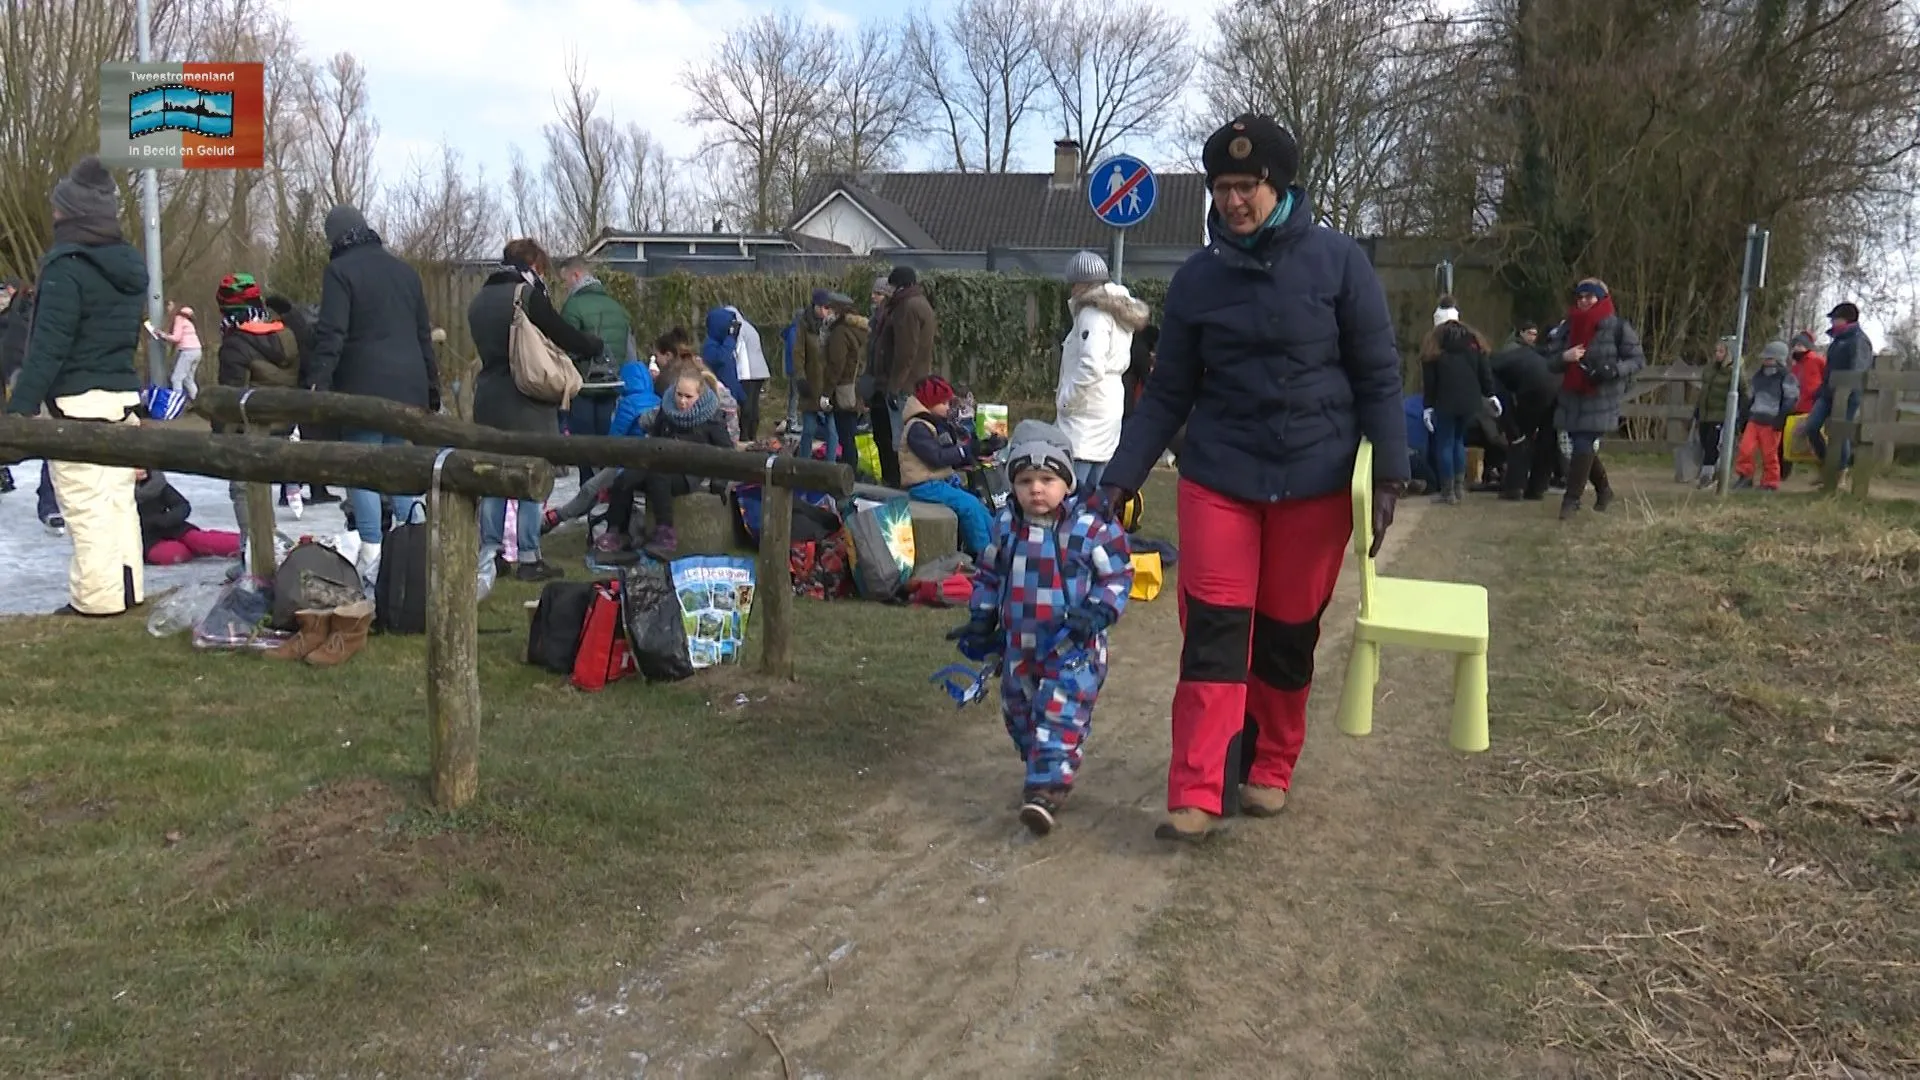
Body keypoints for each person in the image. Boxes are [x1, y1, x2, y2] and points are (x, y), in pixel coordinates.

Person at [1096, 113, 1409, 842]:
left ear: (1280, 186)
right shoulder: (1198, 279)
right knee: (1213, 630)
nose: (1233, 201)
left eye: (1247, 186)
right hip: (1221, 475)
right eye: (1222, 187)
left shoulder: (1339, 263)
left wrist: (1391, 473)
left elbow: (1378, 373)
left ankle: (1269, 764)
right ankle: (1198, 789)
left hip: (1316, 479)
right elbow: (1167, 393)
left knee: (1286, 633)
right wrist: (1119, 478)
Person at [947, 420, 1133, 836]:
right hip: (1019, 645)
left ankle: (1046, 789)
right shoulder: (1004, 526)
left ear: (1067, 481)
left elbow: (1118, 575)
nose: (1036, 489)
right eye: (1025, 480)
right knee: (1020, 714)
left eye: (1047, 480)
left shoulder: (1090, 527)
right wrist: (981, 618)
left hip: (1073, 646)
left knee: (1058, 713)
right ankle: (1042, 765)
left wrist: (1097, 612)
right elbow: (990, 575)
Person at [5, 156, 150, 617]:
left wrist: (19, 408)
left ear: (72, 212)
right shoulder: (129, 267)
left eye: (58, 208)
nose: (53, 215)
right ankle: (128, 590)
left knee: (87, 508)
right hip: (122, 397)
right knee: (119, 505)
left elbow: (49, 345)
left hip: (78, 401)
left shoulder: (66, 267)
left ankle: (97, 601)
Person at [305, 203, 442, 583]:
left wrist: (318, 382)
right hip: (409, 384)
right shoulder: (405, 272)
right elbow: (423, 335)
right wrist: (431, 386)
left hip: (363, 383)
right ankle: (415, 539)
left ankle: (372, 549)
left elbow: (332, 332)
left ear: (334, 236)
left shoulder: (340, 271)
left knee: (362, 466)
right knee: (397, 464)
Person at [468, 238, 602, 581]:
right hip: (526, 399)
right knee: (533, 475)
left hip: (489, 397)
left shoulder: (479, 300)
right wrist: (591, 345)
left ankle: (492, 553)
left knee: (495, 477)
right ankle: (529, 556)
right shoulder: (525, 295)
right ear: (533, 265)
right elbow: (559, 332)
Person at [212, 273, 301, 560]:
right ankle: (266, 548)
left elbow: (230, 398)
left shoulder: (235, 344)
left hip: (248, 432)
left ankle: (252, 557)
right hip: (283, 425)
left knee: (244, 490)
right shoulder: (287, 335)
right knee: (263, 491)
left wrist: (220, 436)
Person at [600, 367, 733, 558]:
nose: (682, 401)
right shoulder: (667, 408)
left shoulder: (712, 418)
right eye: (679, 394)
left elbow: (726, 452)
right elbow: (655, 435)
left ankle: (665, 534)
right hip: (660, 462)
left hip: (688, 474)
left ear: (700, 396)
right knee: (625, 478)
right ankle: (616, 531)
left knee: (658, 476)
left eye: (688, 397)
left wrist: (720, 480)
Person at [541, 335, 661, 535]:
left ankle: (558, 516)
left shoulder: (628, 404)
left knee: (591, 488)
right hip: (651, 460)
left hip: (629, 460)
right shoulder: (657, 399)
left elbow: (614, 438)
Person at [1547, 278, 1646, 520]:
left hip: (1601, 395)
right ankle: (1604, 490)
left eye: (1589, 297)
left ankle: (1571, 500)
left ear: (1601, 298)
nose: (1583, 301)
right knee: (1581, 446)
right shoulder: (1568, 326)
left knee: (1583, 442)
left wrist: (1613, 369)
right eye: (1580, 297)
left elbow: (1637, 360)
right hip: (1572, 394)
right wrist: (1565, 357)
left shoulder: (1617, 327)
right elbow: (1550, 360)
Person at [1055, 250, 1149, 492]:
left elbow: (1091, 365)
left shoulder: (1093, 313)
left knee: (1075, 481)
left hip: (1087, 405)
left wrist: (1066, 401)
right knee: (1100, 478)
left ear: (1080, 284)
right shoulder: (1115, 311)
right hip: (1107, 401)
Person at [557, 256, 633, 486]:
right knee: (606, 444)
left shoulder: (573, 306)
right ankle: (606, 492)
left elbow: (564, 345)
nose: (565, 286)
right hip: (611, 384)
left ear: (576, 275)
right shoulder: (617, 308)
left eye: (565, 280)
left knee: (584, 448)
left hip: (584, 385)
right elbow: (629, 348)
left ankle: (588, 493)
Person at [900, 375, 995, 556]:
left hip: (938, 482)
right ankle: (983, 553)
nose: (947, 407)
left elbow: (951, 455)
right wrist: (965, 451)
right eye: (943, 403)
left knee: (979, 505)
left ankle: (998, 545)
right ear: (929, 403)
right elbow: (936, 457)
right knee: (969, 507)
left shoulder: (934, 424)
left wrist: (980, 450)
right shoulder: (917, 427)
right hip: (923, 486)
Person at [1419, 300, 1500, 505]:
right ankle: (1458, 487)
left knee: (1445, 443)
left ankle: (1448, 491)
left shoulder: (1434, 341)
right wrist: (1490, 394)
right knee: (1458, 441)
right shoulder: (1473, 339)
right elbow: (1484, 369)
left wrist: (1428, 406)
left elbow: (1430, 380)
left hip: (1445, 400)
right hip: (1470, 400)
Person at [1490, 321, 1559, 500]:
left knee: (1520, 438)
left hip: (1533, 387)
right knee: (1547, 438)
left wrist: (1510, 425)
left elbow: (1501, 399)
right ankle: (1537, 488)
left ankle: (1514, 487)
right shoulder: (1516, 355)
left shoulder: (1492, 368)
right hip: (1555, 384)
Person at [1805, 303, 1869, 483]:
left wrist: (1847, 390)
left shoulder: (1859, 341)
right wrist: (1821, 391)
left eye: (1835, 318)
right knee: (1811, 426)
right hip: (1827, 392)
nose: (1832, 322)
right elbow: (1829, 369)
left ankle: (1840, 471)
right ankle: (1827, 465)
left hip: (1848, 395)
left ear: (1846, 319)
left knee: (1840, 432)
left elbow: (1858, 369)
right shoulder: (1837, 340)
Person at [1731, 341, 1800, 492]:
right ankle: (1745, 476)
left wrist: (1781, 418)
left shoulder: (1787, 377)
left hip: (1772, 421)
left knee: (1769, 454)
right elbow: (1750, 396)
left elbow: (1791, 399)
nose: (1765, 361)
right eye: (1765, 358)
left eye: (1770, 358)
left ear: (1779, 359)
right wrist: (1744, 415)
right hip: (1755, 418)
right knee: (1745, 449)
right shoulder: (1758, 376)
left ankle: (1770, 482)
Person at [135, 469, 242, 565]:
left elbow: (182, 505)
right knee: (173, 555)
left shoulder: (155, 482)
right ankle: (194, 550)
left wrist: (166, 519)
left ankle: (246, 544)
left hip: (172, 527)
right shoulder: (125, 491)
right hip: (144, 539)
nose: (140, 469)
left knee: (202, 540)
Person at [821, 292, 868, 467]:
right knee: (850, 435)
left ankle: (849, 473)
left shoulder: (839, 332)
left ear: (838, 311)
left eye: (829, 308)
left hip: (843, 389)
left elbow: (836, 365)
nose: (827, 312)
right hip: (857, 387)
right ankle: (852, 469)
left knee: (846, 436)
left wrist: (826, 393)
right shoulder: (860, 330)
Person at [862, 276, 900, 485]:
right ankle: (888, 477)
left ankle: (893, 478)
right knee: (879, 434)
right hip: (876, 384)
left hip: (886, 386)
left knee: (889, 435)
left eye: (877, 293)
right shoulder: (875, 321)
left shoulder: (891, 319)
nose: (873, 297)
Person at [792, 289, 834, 460]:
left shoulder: (833, 325)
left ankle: (831, 467)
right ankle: (804, 464)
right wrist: (800, 377)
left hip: (830, 384)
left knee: (832, 430)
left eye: (827, 308)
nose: (824, 311)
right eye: (821, 307)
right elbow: (798, 353)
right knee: (809, 429)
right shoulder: (804, 325)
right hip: (811, 383)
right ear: (815, 306)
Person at [1693, 338, 1737, 489]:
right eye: (1716, 351)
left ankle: (1707, 476)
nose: (1717, 354)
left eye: (1721, 351)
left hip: (1720, 415)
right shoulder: (1709, 370)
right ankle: (1715, 470)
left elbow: (1742, 392)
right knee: (1705, 442)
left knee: (1713, 444)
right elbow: (1704, 392)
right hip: (1705, 413)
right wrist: (1698, 410)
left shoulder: (1733, 373)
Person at [723, 305, 770, 439]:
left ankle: (744, 435)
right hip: (760, 370)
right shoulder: (750, 327)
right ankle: (752, 434)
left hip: (747, 372)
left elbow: (738, 351)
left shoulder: (738, 329)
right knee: (754, 404)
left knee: (746, 405)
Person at [1783, 331, 1825, 482]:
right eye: (1795, 345)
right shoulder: (1795, 366)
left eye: (1800, 345)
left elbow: (1827, 377)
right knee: (1790, 439)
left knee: (1815, 439)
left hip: (1813, 406)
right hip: (1796, 406)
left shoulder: (1817, 360)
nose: (1797, 348)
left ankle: (1823, 471)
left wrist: (1820, 396)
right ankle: (1783, 472)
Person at [147, 301, 203, 399]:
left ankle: (177, 402)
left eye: (169, 305)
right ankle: (198, 401)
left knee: (176, 379)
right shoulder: (187, 318)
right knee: (188, 380)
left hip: (187, 351)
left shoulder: (179, 318)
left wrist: (162, 334)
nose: (167, 308)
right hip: (197, 350)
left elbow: (176, 338)